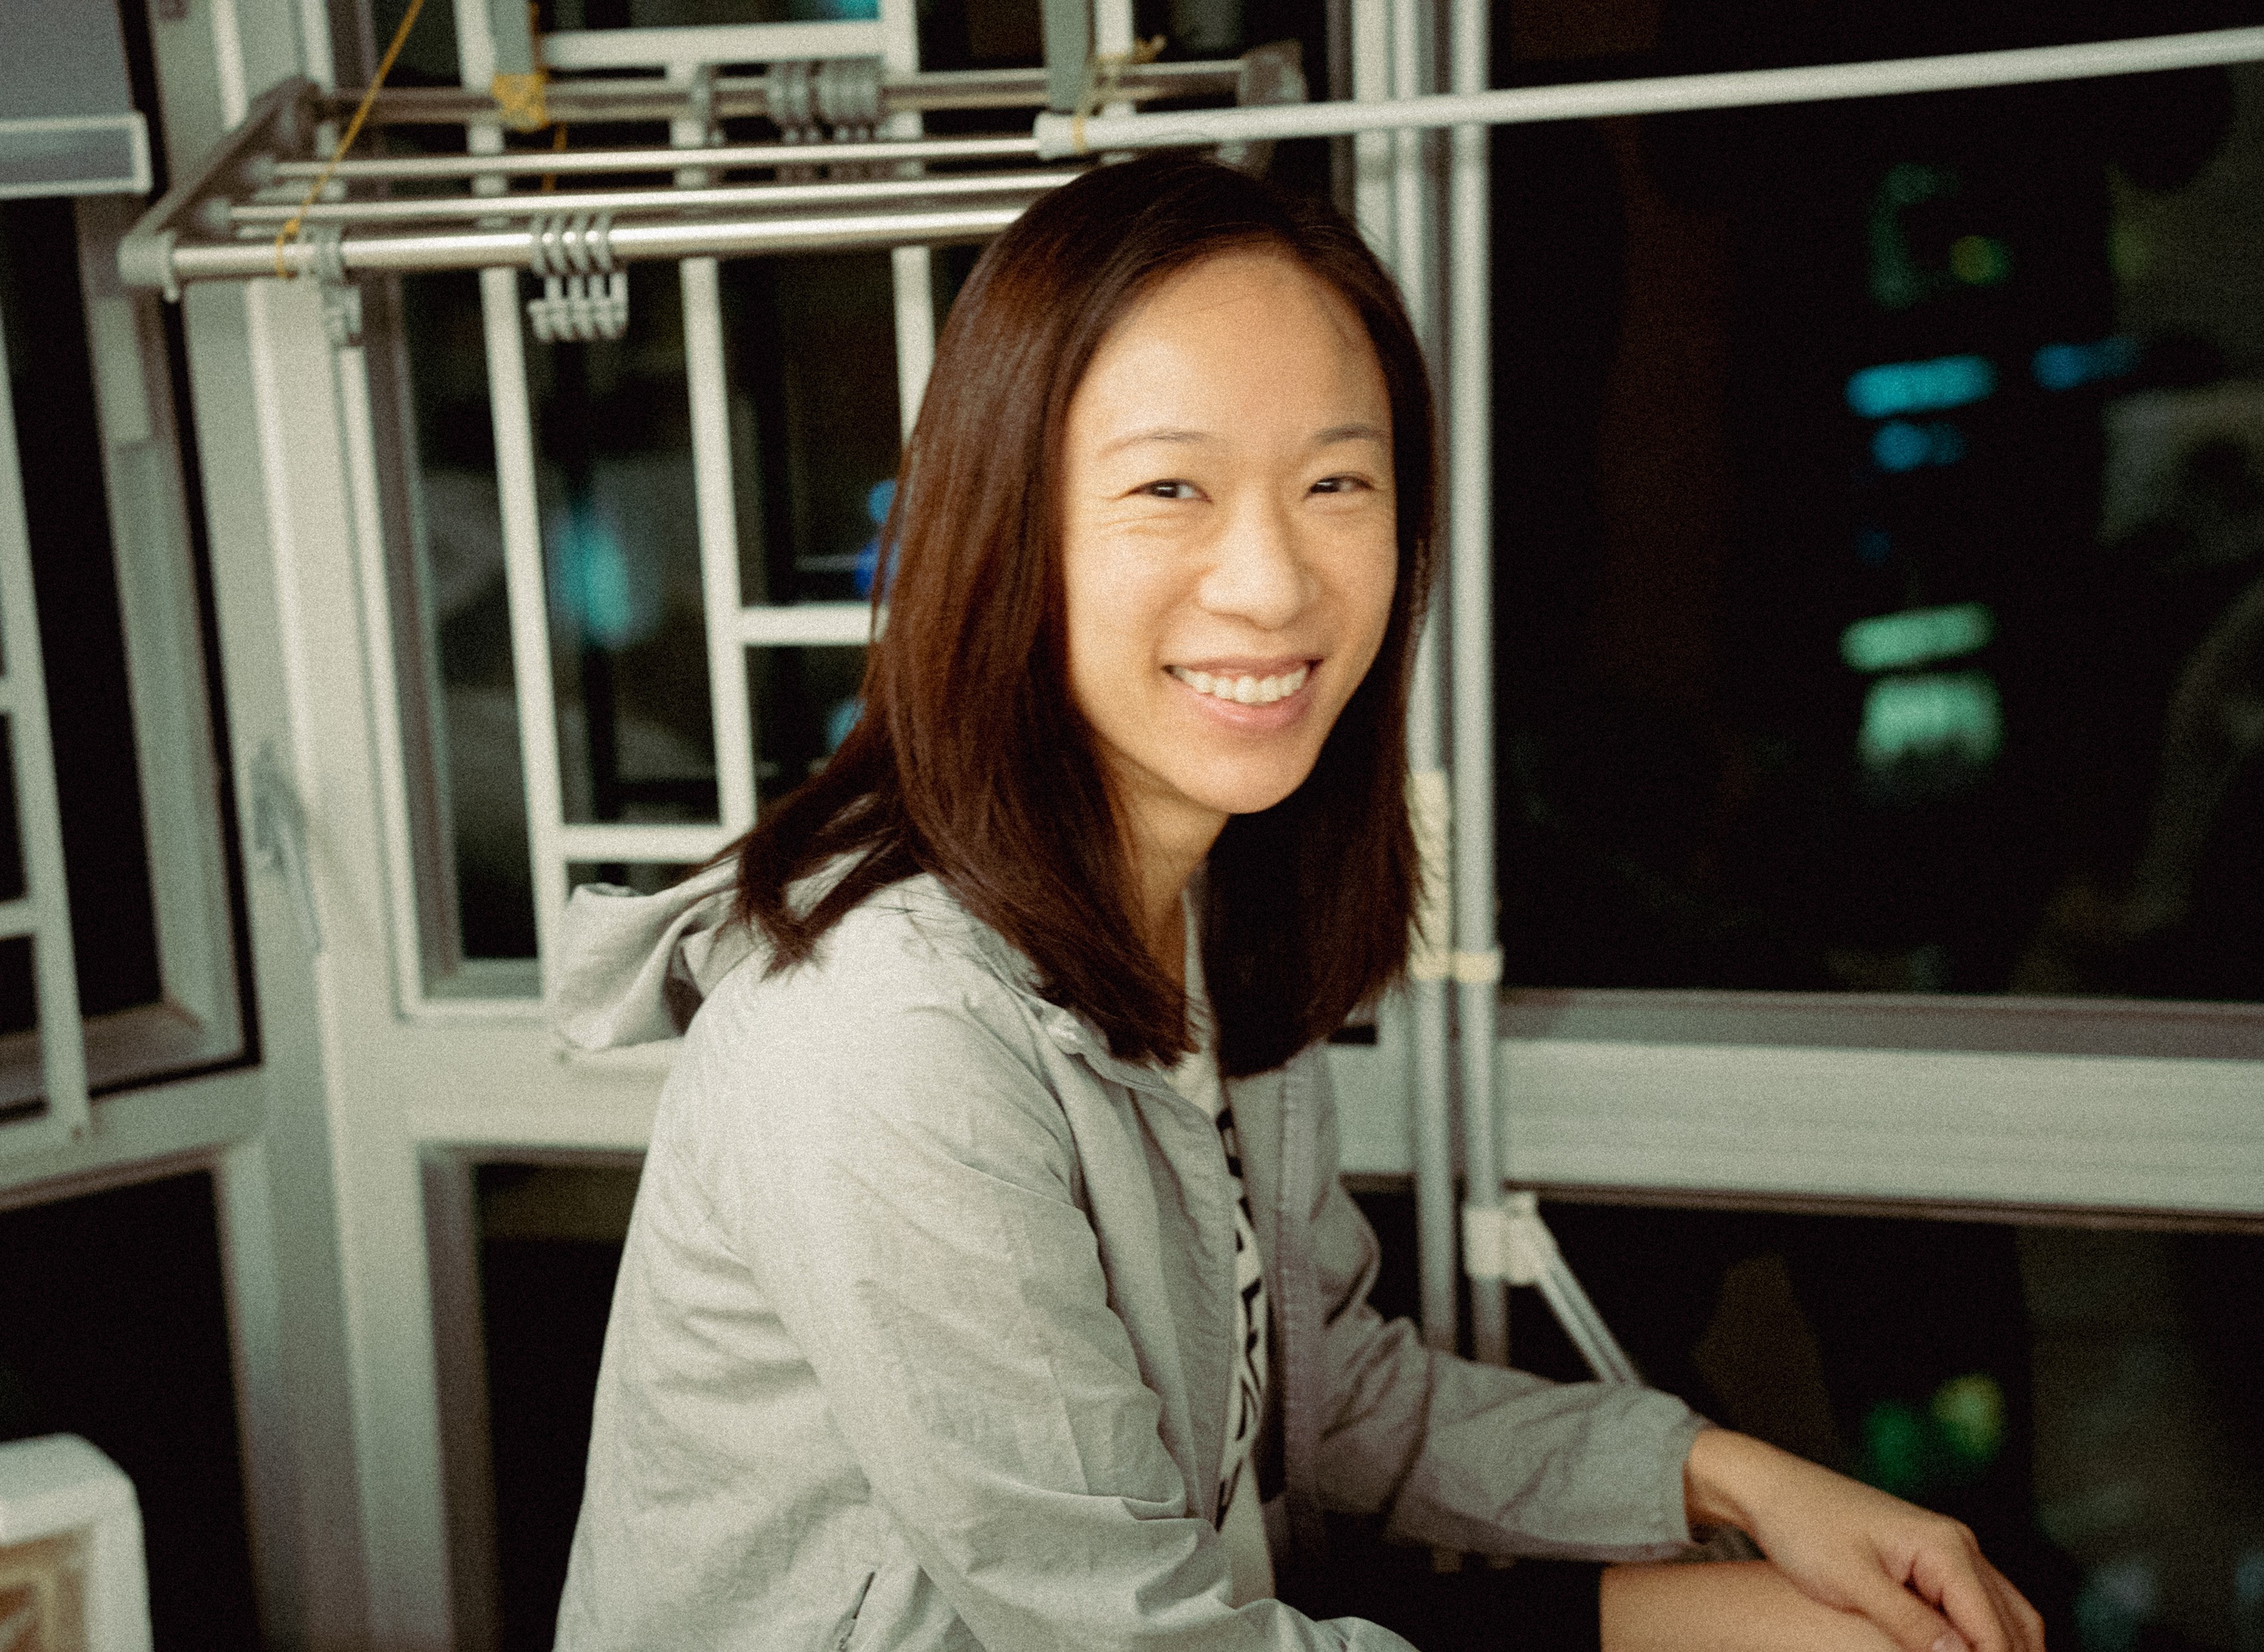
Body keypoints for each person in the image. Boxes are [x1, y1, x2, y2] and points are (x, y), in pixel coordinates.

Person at [547, 153, 2046, 1652]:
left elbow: (1334, 1393)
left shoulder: (1198, 901)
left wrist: (1740, 1478)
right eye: (1169, 488)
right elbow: (1139, 1635)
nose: (1271, 581)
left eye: (1338, 481)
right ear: (1010, 530)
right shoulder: (882, 1032)